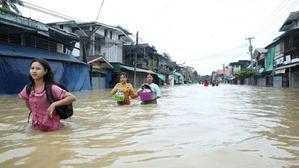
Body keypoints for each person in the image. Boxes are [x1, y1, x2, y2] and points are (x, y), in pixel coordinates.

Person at [18, 58, 76, 132]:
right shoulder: (28, 88)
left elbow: (72, 97)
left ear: (45, 71)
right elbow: (27, 103)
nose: (34, 71)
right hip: (36, 128)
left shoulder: (52, 88)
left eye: (38, 69)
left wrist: (54, 104)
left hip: (53, 129)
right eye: (32, 68)